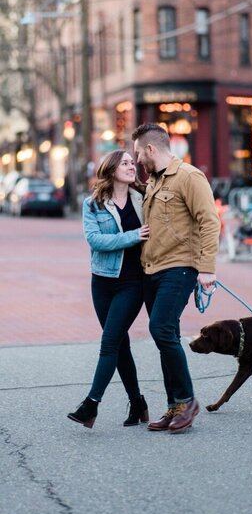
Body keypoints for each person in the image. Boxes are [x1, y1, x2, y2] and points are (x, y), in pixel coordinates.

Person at [132, 123, 220, 434]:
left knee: (161, 328)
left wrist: (207, 267)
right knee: (164, 335)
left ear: (151, 149)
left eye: (139, 153)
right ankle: (175, 406)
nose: (138, 159)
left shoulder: (190, 177)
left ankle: (187, 399)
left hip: (180, 267)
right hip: (152, 269)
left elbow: (209, 221)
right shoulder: (154, 182)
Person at [67, 150, 150, 429]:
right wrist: (133, 236)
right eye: (125, 162)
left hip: (132, 282)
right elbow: (95, 240)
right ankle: (137, 402)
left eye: (132, 162)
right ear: (112, 168)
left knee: (109, 342)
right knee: (120, 343)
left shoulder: (144, 198)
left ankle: (91, 404)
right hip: (102, 281)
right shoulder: (92, 204)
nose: (131, 166)